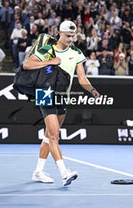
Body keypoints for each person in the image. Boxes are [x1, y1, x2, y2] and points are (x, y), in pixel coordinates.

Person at [23, 21, 100, 186]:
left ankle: (38, 171)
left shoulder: (77, 53)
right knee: (54, 135)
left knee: (48, 135)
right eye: (68, 36)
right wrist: (49, 62)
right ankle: (64, 173)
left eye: (73, 36)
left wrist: (92, 89)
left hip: (63, 95)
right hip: (45, 93)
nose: (71, 39)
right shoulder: (48, 50)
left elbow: (82, 78)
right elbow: (27, 64)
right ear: (60, 33)